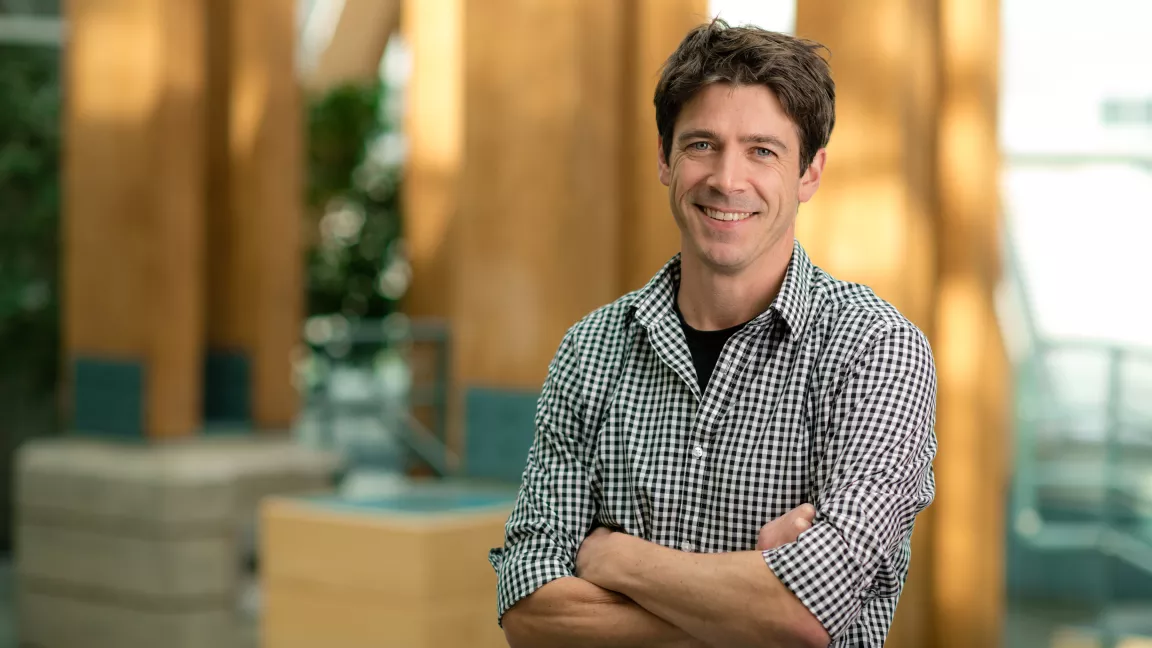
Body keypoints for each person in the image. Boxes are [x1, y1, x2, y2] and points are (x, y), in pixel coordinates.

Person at [488, 18, 937, 648]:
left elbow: (801, 618)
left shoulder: (876, 350)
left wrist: (616, 561)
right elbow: (530, 614)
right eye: (702, 144)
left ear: (809, 173)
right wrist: (750, 608)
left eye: (762, 150)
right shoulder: (590, 350)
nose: (728, 180)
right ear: (665, 159)